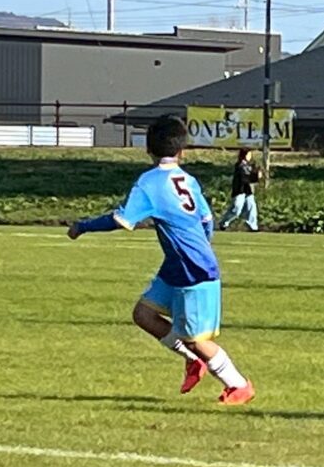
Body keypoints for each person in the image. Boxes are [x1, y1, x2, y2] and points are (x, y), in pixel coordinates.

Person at [67, 115, 255, 404]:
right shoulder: (188, 180)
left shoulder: (149, 183)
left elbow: (121, 219)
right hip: (179, 264)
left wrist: (83, 227)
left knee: (197, 339)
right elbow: (207, 221)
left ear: (148, 149)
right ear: (182, 150)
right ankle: (192, 360)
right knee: (144, 315)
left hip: (193, 269)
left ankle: (239, 385)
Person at [219, 148, 260, 231]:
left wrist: (256, 174)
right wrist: (255, 176)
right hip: (240, 190)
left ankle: (253, 226)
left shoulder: (249, 165)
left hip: (248, 191)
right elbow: (245, 178)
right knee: (236, 209)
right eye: (248, 154)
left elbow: (251, 176)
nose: (250, 156)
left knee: (251, 208)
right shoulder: (240, 166)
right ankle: (224, 223)